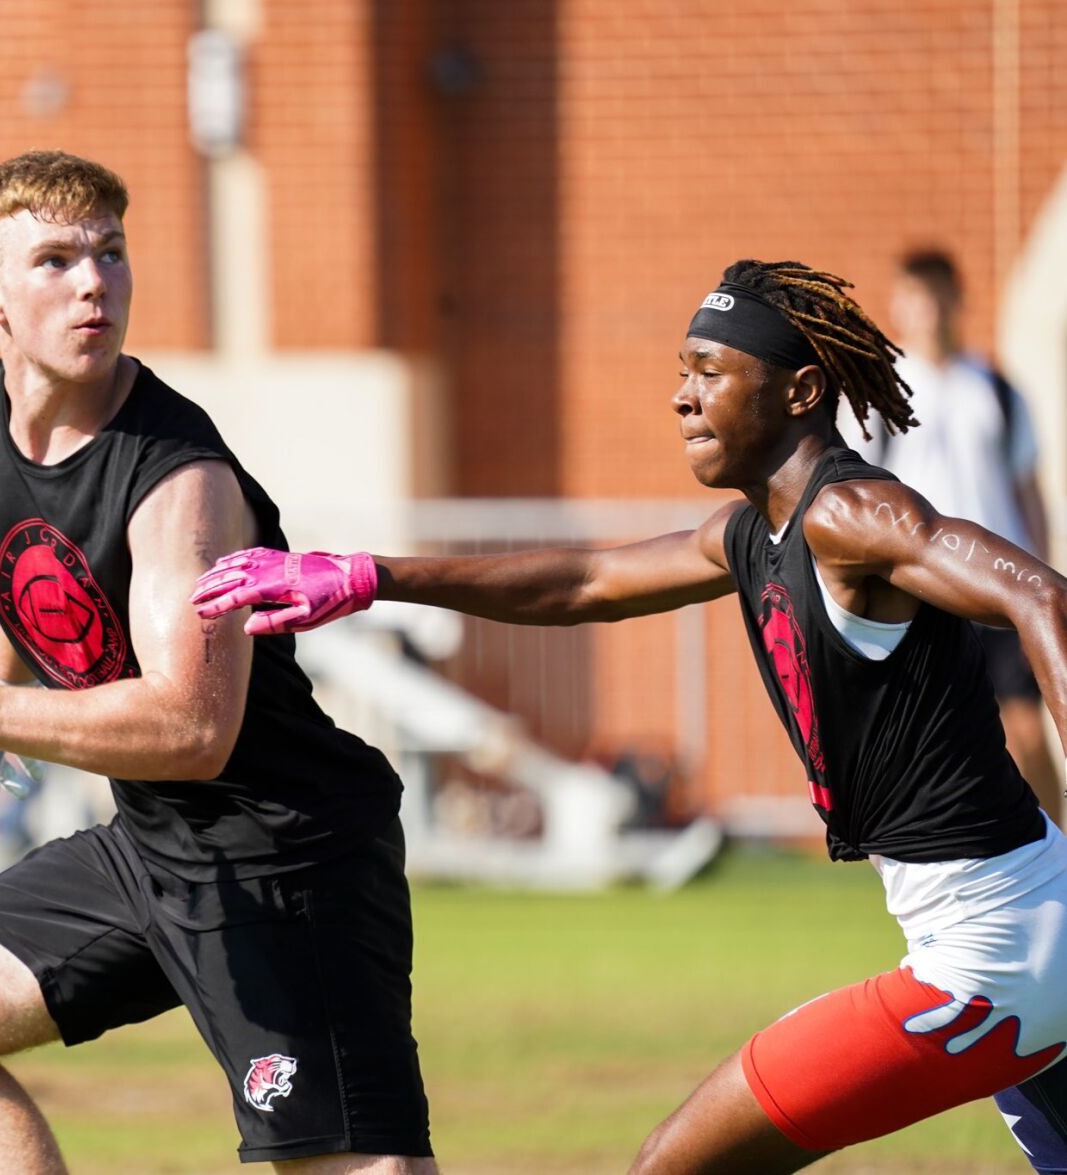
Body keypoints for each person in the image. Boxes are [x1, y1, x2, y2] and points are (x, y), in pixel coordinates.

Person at [193, 260, 1067, 1173]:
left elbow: (1041, 595)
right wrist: (371, 577)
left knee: (671, 1165)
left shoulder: (851, 511)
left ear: (801, 390)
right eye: (680, 372)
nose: (682, 399)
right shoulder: (748, 533)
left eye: (708, 371)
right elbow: (586, 580)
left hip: (994, 951)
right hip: (1009, 920)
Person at [0, 151, 434, 1172]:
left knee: (354, 1164)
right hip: (150, 847)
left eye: (111, 253)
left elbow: (190, 730)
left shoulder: (180, 481)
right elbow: (45, 579)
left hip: (285, 859)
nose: (93, 282)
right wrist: (11, 688)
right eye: (57, 258)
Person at [840, 248, 1061, 823]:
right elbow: (852, 494)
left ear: (957, 301)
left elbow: (1028, 491)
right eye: (916, 298)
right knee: (916, 739)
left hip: (996, 589)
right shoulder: (879, 390)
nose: (930, 312)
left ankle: (1056, 848)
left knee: (1025, 735)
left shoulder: (995, 389)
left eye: (939, 297)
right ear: (898, 306)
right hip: (917, 589)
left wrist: (1037, 571)